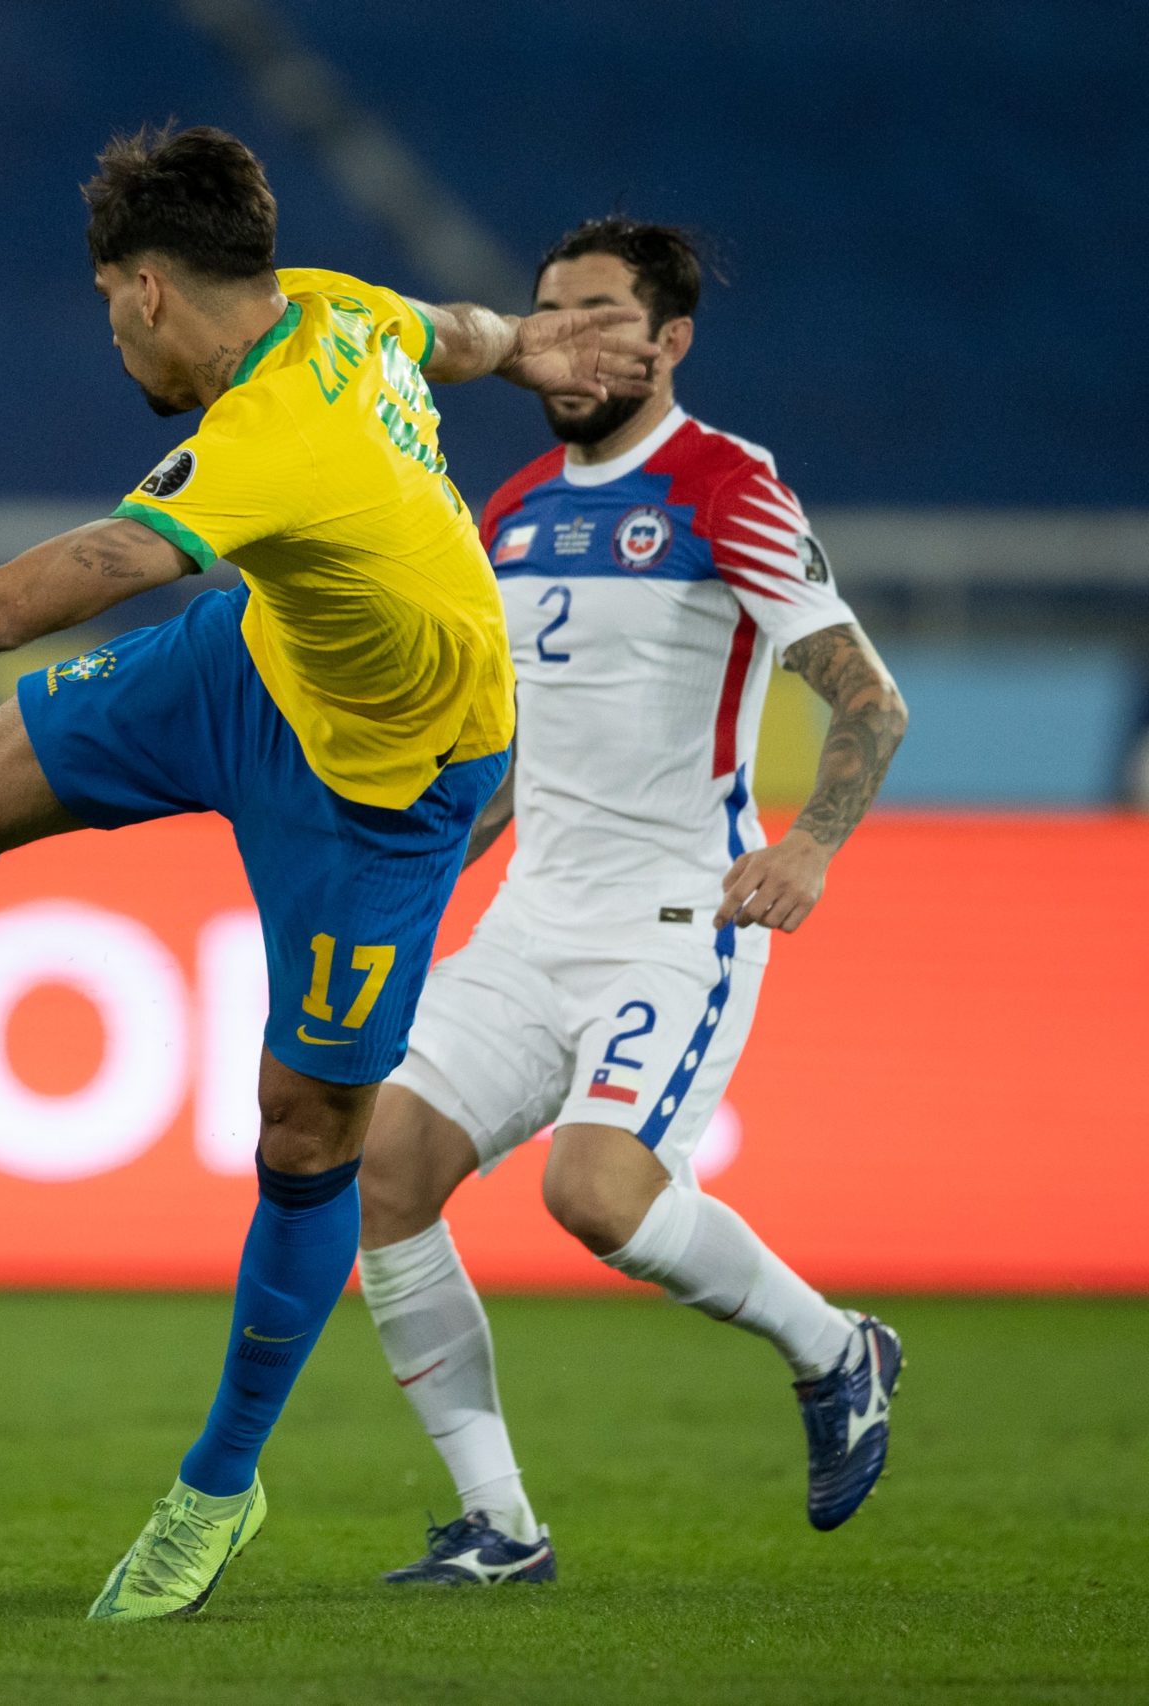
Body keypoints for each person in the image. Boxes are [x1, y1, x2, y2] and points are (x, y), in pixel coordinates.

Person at [0, 126, 656, 1619]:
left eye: (108, 300)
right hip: (256, 666)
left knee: (308, 1135)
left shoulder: (265, 441)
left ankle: (221, 1485)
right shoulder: (338, 303)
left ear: (148, 293)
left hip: (389, 795)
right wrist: (540, 352)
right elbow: (462, 331)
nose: (110, 328)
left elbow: (9, 599)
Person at [357, 218, 910, 1585]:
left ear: (670, 340)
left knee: (596, 1195)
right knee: (381, 1172)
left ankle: (837, 1347)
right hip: (530, 920)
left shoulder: (729, 486)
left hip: (675, 920)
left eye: (606, 314)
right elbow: (521, 745)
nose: (571, 337)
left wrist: (814, 844)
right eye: (551, 311)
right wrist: (428, 867)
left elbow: (866, 697)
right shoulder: (516, 508)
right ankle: (501, 1524)